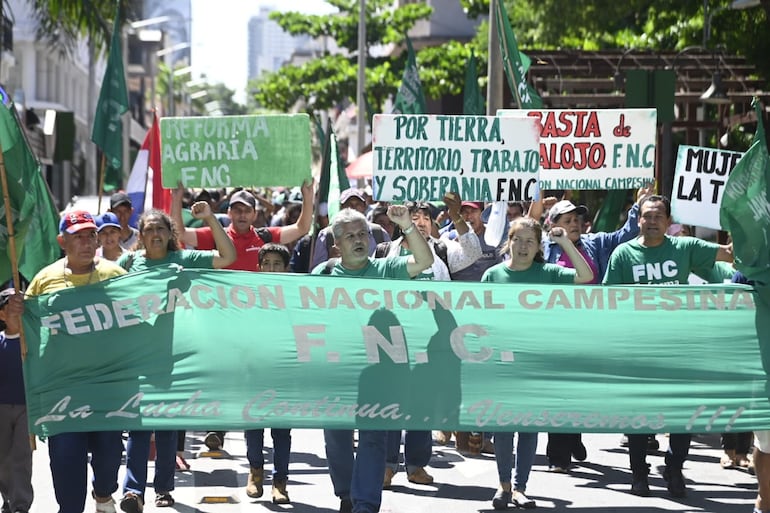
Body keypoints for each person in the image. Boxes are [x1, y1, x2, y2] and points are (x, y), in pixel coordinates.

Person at [603, 194, 733, 498]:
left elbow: (729, 255)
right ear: (638, 220)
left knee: (683, 412)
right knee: (638, 415)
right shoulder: (623, 255)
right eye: (646, 216)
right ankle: (638, 473)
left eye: (658, 216)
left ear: (669, 222)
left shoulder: (685, 248)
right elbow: (607, 302)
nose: (651, 221)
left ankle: (674, 469)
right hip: (637, 350)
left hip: (679, 348)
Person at [312, 206, 433, 513]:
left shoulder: (385, 269)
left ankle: (365, 504)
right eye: (350, 235)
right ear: (337, 244)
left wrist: (406, 224)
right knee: (336, 440)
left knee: (374, 439)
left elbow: (424, 261)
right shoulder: (323, 274)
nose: (358, 240)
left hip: (380, 370)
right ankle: (346, 494)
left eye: (363, 233)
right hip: (336, 371)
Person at [116, 202, 236, 513]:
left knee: (167, 427)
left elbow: (228, 257)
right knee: (139, 427)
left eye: (161, 228)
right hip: (137, 355)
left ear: (171, 233)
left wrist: (209, 218)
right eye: (149, 228)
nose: (155, 233)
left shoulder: (183, 259)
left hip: (175, 355)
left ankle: (164, 489)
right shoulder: (128, 263)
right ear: (141, 235)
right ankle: (133, 491)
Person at [537, 185, 654, 472]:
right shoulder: (542, 250)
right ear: (553, 227)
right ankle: (558, 456)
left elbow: (625, 236)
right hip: (557, 332)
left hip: (590, 330)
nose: (574, 224)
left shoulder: (596, 243)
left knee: (580, 390)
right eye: (567, 220)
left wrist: (637, 207)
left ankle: (573, 435)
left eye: (577, 220)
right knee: (560, 392)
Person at [481, 216, 594, 510]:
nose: (523, 246)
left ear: (538, 246)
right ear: (509, 242)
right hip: (502, 363)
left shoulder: (548, 273)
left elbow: (585, 276)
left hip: (534, 363)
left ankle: (520, 488)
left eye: (530, 240)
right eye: (518, 239)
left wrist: (565, 241)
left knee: (529, 428)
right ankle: (503, 485)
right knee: (503, 429)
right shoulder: (492, 275)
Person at [374, 194, 481, 489]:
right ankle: (386, 465)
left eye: (426, 218)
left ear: (434, 224)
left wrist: (457, 215)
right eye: (414, 217)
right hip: (395, 335)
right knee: (393, 402)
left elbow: (473, 251)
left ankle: (417, 464)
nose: (420, 223)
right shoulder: (386, 251)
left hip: (434, 336)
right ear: (400, 221)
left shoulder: (443, 250)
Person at [26, 210, 127, 513]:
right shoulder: (45, 280)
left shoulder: (116, 276)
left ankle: (104, 494)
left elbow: (141, 320)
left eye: (91, 236)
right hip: (63, 392)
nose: (87, 243)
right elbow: (28, 329)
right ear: (62, 241)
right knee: (67, 467)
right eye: (78, 237)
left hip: (110, 389)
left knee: (109, 458)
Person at [173, 181, 313, 274]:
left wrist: (308, 196)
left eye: (247, 211)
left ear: (254, 214)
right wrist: (176, 197)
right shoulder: (215, 235)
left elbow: (302, 228)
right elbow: (180, 234)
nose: (242, 215)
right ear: (229, 213)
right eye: (237, 210)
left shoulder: (266, 236)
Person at [244, 243, 293, 504]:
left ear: (287, 269)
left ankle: (280, 482)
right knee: (253, 426)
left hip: (284, 371)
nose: (272, 268)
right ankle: (255, 472)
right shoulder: (249, 297)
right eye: (267, 264)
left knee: (281, 431)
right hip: (255, 370)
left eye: (278, 264)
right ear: (259, 267)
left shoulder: (297, 297)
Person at [0, 289, 32, 513]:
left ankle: (20, 503)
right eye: (11, 309)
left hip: (26, 407)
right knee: (2, 457)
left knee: (21, 456)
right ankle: (7, 498)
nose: (16, 314)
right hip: (1, 407)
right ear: (2, 315)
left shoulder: (31, 342)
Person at [310, 188, 390, 270]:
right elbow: (317, 273)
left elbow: (389, 267)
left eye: (357, 204)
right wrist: (331, 259)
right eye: (349, 204)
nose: (353, 207)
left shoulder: (379, 232)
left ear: (364, 206)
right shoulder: (328, 235)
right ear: (342, 207)